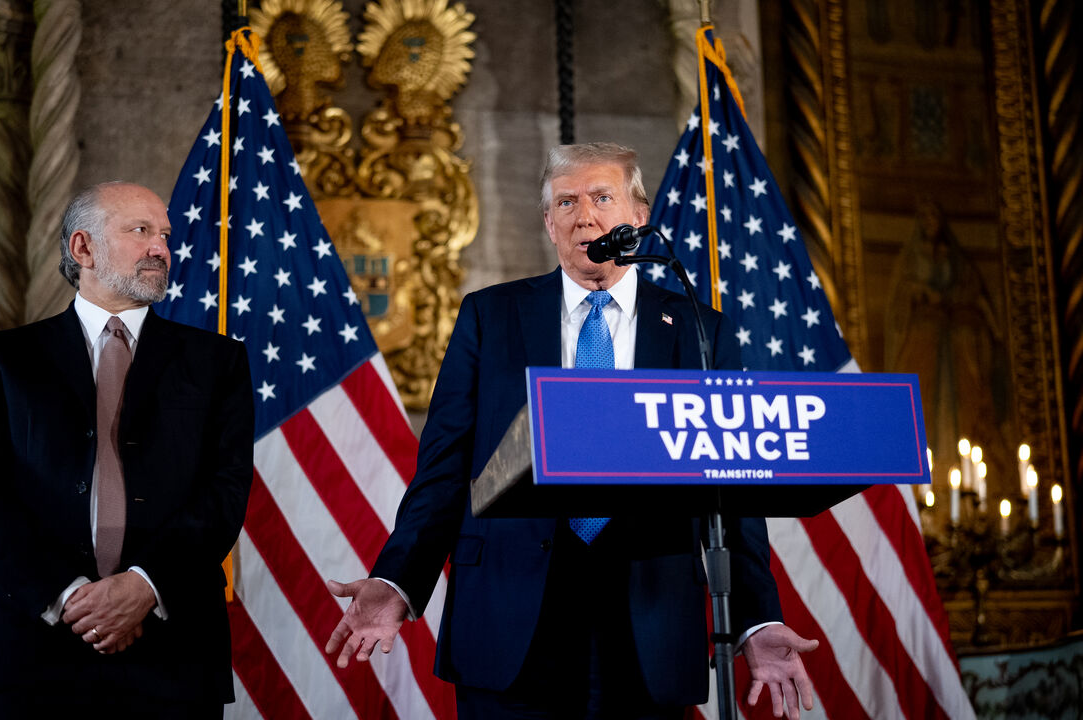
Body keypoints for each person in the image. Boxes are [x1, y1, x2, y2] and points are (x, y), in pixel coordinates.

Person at [326, 143, 818, 719]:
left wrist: (758, 617)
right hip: (510, 618)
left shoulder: (696, 327)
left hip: (649, 625)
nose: (585, 215)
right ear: (549, 224)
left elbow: (732, 490)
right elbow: (445, 468)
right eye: (567, 202)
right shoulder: (490, 316)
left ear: (638, 216)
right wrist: (398, 579)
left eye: (602, 198)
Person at [0, 182, 254, 718]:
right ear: (83, 249)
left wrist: (143, 587)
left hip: (172, 652)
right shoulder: (4, 359)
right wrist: (69, 597)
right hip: (32, 650)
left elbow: (224, 494)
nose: (161, 246)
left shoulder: (218, 363)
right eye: (140, 230)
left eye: (164, 233)